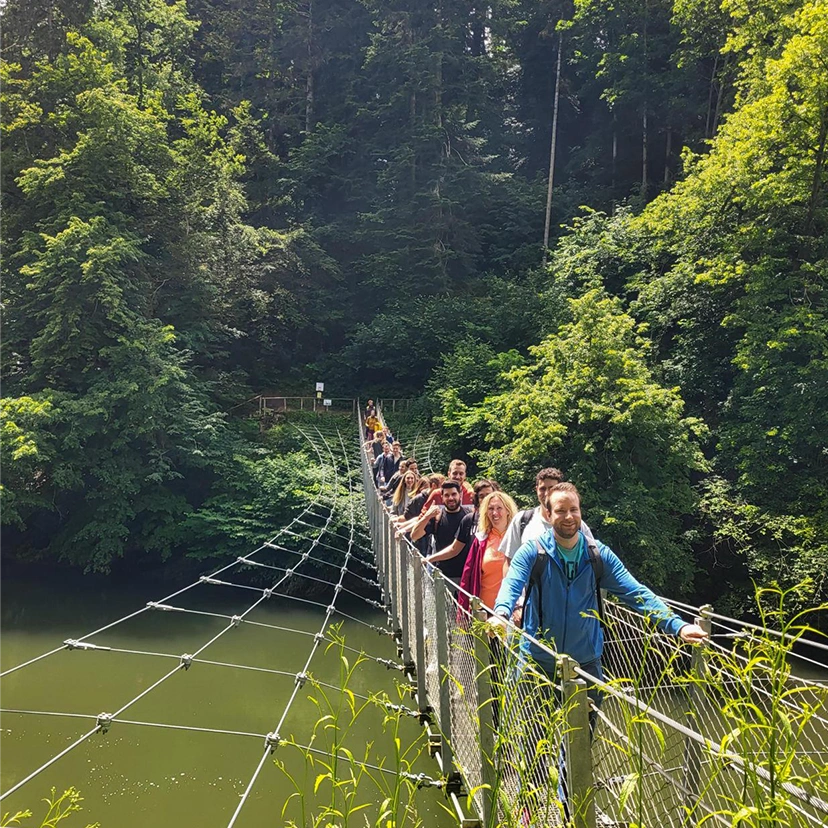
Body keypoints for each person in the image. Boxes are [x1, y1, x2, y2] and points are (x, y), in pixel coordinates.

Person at [489, 482, 708, 683]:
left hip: (585, 665)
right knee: (533, 727)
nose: (569, 517)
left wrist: (678, 626)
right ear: (548, 514)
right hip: (537, 661)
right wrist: (502, 614)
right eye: (560, 511)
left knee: (585, 726)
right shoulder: (533, 552)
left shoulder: (598, 555)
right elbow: (511, 583)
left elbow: (636, 593)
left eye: (574, 510)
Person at [500, 468, 595, 571]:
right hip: (529, 586)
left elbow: (593, 557)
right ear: (536, 489)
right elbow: (509, 562)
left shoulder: (576, 524)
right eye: (542, 489)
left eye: (551, 488)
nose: (546, 493)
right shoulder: (522, 520)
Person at [458, 490, 518, 615]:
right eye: (490, 508)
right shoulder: (480, 540)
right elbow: (467, 577)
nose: (495, 513)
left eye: (499, 508)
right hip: (484, 612)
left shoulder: (519, 539)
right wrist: (462, 612)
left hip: (513, 612)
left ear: (508, 511)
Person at [428, 479, 499, 576]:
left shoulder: (501, 521)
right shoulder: (470, 519)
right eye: (481, 496)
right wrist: (429, 559)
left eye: (489, 495)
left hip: (495, 575)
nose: (486, 499)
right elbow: (454, 549)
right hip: (474, 576)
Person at [410, 480, 472, 581]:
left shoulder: (469, 516)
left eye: (454, 494)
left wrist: (429, 559)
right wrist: (427, 516)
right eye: (447, 495)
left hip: (466, 575)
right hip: (443, 575)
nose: (451, 498)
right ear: (442, 498)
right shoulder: (437, 517)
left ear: (460, 495)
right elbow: (414, 535)